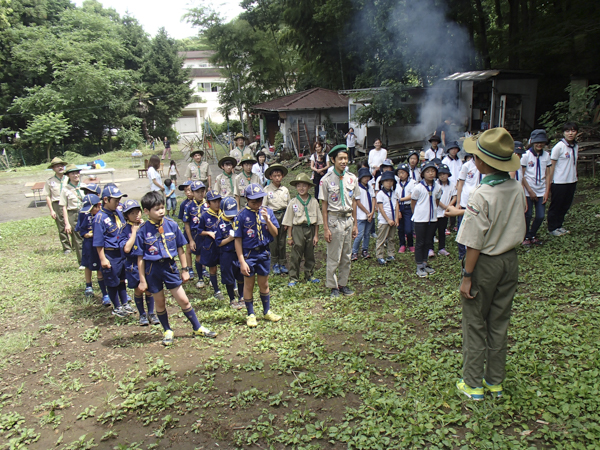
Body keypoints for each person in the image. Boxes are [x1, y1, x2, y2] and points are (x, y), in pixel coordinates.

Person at [455, 128, 526, 401]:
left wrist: (467, 275)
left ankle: (472, 384)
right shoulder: (515, 187)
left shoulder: (481, 194)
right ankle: (494, 381)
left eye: (475, 156)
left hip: (485, 263)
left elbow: (474, 242)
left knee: (474, 322)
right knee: (499, 321)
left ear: (482, 163)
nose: (473, 160)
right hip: (510, 261)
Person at [135, 191, 217, 345]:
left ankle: (197, 327)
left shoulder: (171, 224)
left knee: (184, 300)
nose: (160, 211)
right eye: (156, 209)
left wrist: (185, 269)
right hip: (152, 270)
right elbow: (140, 257)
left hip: (169, 267)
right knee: (159, 302)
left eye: (162, 208)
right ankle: (167, 330)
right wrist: (142, 280)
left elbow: (180, 248)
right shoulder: (142, 231)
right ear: (146, 212)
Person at [234, 183, 282, 328]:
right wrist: (242, 261)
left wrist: (267, 220)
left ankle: (266, 311)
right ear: (246, 199)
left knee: (264, 283)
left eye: (260, 200)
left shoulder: (268, 212)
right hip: (249, 254)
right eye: (254, 201)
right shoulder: (241, 216)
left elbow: (275, 233)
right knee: (248, 284)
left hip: (264, 252)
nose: (257, 204)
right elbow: (237, 241)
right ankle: (250, 314)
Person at [319, 144, 359, 298]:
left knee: (347, 255)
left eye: (346, 158)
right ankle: (333, 286)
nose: (343, 161)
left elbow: (354, 201)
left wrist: (355, 223)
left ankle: (343, 284)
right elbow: (324, 205)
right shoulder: (326, 180)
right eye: (340, 158)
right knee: (334, 255)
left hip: (348, 219)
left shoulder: (352, 178)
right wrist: (326, 228)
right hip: (334, 220)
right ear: (333, 160)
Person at [93, 185, 132, 317]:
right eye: (115, 200)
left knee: (121, 279)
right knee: (112, 281)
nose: (118, 203)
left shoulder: (118, 213)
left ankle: (125, 303)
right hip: (110, 254)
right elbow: (98, 242)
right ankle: (117, 306)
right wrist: (103, 258)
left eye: (119, 200)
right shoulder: (99, 218)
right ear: (105, 199)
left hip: (120, 253)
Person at [121, 199, 159, 326]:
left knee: (149, 289)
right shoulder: (125, 230)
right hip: (133, 265)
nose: (136, 215)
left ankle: (151, 313)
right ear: (126, 216)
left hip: (146, 263)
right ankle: (142, 314)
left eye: (138, 212)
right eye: (132, 213)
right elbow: (126, 249)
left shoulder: (146, 226)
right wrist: (134, 233)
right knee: (138, 290)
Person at [283, 173, 323, 286]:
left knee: (310, 253)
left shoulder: (314, 201)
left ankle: (309, 274)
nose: (301, 188)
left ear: (309, 187)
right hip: (297, 229)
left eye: (304, 186)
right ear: (296, 187)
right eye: (299, 186)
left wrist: (316, 235)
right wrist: (289, 237)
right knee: (296, 254)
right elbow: (289, 221)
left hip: (310, 229)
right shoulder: (293, 202)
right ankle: (293, 277)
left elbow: (318, 221)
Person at [546, 122, 579, 236]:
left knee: (565, 205)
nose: (570, 133)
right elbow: (552, 165)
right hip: (559, 181)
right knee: (556, 205)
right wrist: (550, 181)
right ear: (564, 133)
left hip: (571, 180)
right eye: (568, 131)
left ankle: (559, 226)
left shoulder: (576, 146)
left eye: (573, 131)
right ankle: (552, 228)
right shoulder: (559, 147)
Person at [76, 194, 109, 304]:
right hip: (89, 244)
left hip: (99, 245)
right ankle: (88, 285)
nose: (89, 211)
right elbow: (81, 230)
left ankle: (105, 293)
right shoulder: (84, 214)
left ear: (98, 206)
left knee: (100, 268)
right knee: (88, 264)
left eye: (91, 209)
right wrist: (86, 234)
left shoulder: (102, 216)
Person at [520, 130, 552, 245]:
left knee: (540, 215)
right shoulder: (526, 155)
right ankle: (525, 236)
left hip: (541, 190)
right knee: (527, 215)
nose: (539, 145)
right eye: (537, 142)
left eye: (542, 142)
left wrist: (547, 191)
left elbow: (548, 174)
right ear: (532, 142)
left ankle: (532, 234)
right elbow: (521, 175)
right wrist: (529, 190)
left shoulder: (546, 155)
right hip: (528, 190)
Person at [411, 161, 442, 277]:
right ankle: (419, 265)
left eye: (433, 171)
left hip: (432, 218)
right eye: (428, 171)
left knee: (428, 241)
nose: (430, 174)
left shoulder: (437, 187)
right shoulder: (418, 187)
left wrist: (433, 211)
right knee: (420, 242)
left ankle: (425, 262)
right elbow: (413, 203)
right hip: (420, 219)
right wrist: (418, 214)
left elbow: (437, 201)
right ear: (423, 174)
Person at [215, 197, 245, 309]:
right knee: (229, 278)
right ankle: (232, 299)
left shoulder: (238, 219)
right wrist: (230, 239)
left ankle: (241, 297)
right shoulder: (219, 223)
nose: (231, 216)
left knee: (241, 275)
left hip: (238, 253)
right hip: (226, 254)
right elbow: (218, 243)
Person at [263, 164, 291, 275]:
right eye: (275, 176)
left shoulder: (285, 190)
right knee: (273, 242)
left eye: (279, 175)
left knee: (282, 241)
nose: (277, 178)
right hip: (272, 216)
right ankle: (274, 263)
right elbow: (264, 207)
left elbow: (289, 207)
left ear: (282, 176)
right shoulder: (266, 190)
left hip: (283, 216)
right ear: (270, 177)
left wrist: (287, 221)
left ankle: (282, 263)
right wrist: (267, 221)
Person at [198, 189, 224, 300]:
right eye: (214, 202)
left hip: (223, 245)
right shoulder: (204, 216)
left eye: (218, 201)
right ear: (208, 203)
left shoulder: (224, 214)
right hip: (211, 246)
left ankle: (233, 287)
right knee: (213, 269)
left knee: (227, 266)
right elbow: (199, 230)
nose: (217, 204)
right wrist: (208, 232)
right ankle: (216, 290)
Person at [455, 153, 482, 260]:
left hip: (479, 200)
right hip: (465, 201)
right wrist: (458, 202)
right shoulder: (467, 165)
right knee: (463, 228)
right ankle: (462, 254)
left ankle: (475, 252)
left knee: (477, 227)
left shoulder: (485, 165)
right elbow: (460, 184)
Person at [183, 181, 208, 289]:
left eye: (202, 191)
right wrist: (191, 240)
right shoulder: (188, 206)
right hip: (195, 235)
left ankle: (209, 276)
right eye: (197, 192)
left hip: (207, 234)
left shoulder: (208, 204)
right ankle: (200, 278)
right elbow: (187, 224)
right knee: (198, 256)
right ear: (193, 192)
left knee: (208, 255)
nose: (200, 194)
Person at [43, 157, 71, 254]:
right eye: (57, 166)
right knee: (61, 226)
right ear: (53, 169)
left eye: (61, 165)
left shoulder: (69, 178)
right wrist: (51, 210)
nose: (60, 168)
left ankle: (77, 245)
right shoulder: (50, 181)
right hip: (57, 204)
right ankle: (67, 247)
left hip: (69, 203)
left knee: (73, 224)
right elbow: (47, 196)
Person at [60, 164, 84, 267]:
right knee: (78, 239)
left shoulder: (84, 186)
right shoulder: (65, 189)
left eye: (77, 173)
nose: (76, 175)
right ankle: (82, 262)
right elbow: (64, 207)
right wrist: (67, 223)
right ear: (68, 175)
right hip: (73, 213)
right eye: (73, 173)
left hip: (84, 213)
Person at [375, 171, 399, 265]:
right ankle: (379, 256)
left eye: (391, 181)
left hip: (393, 220)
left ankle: (391, 254)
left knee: (391, 238)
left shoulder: (394, 193)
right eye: (386, 181)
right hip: (384, 221)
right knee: (381, 239)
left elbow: (396, 206)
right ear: (382, 182)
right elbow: (381, 208)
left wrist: (396, 218)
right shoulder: (380, 194)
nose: (389, 183)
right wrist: (388, 219)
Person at [351, 167, 375, 260]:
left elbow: (373, 198)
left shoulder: (369, 187)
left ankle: (365, 250)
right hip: (361, 215)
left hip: (370, 214)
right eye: (364, 177)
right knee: (359, 234)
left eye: (367, 177)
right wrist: (367, 212)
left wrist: (372, 212)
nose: (366, 179)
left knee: (367, 234)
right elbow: (358, 202)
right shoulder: (357, 188)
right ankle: (354, 252)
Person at [434, 164, 456, 256]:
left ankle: (441, 248)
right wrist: (444, 206)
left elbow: (455, 196)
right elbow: (435, 198)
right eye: (440, 174)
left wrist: (449, 207)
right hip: (436, 211)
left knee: (442, 231)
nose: (442, 176)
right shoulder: (435, 184)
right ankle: (430, 248)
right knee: (432, 231)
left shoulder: (452, 185)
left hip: (445, 212)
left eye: (444, 174)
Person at [395, 163, 416, 253]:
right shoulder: (396, 184)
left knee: (409, 228)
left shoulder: (413, 183)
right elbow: (394, 197)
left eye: (403, 173)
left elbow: (412, 195)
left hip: (408, 207)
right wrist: (398, 209)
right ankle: (402, 244)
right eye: (399, 173)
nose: (401, 175)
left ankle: (410, 244)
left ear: (407, 173)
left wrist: (401, 199)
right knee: (400, 227)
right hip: (399, 207)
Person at [178, 180, 195, 279]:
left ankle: (203, 268)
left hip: (199, 230)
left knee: (200, 249)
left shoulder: (202, 203)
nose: (188, 193)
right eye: (185, 191)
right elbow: (182, 218)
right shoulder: (183, 204)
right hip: (188, 230)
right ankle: (190, 267)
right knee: (188, 249)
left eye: (189, 190)